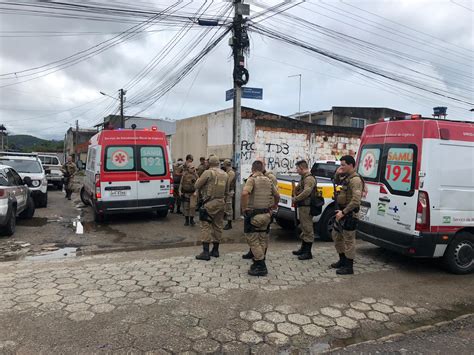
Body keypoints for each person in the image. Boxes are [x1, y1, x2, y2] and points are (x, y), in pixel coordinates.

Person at [241, 160, 280, 276]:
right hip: (267, 215)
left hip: (254, 215)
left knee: (252, 239)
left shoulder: (252, 179)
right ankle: (259, 261)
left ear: (253, 169)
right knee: (263, 238)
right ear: (262, 168)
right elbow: (277, 195)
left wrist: (244, 208)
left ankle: (260, 265)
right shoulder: (268, 180)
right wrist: (274, 206)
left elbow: (244, 193)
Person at [331, 155, 363, 275]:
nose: (341, 167)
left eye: (343, 165)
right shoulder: (347, 177)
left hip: (349, 214)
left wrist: (344, 213)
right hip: (341, 213)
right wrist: (337, 173)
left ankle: (349, 267)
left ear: (351, 165)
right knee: (336, 235)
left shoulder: (355, 180)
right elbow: (335, 182)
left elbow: (356, 200)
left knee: (349, 240)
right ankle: (342, 260)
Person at [194, 155, 229, 261]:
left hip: (209, 203)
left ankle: (205, 252)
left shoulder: (208, 172)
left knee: (206, 226)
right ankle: (215, 250)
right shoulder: (225, 174)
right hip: (221, 202)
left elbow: (197, 185)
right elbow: (227, 191)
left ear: (209, 163)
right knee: (218, 226)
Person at [292, 160, 317, 260]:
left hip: (307, 207)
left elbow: (307, 191)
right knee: (303, 227)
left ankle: (308, 252)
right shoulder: (304, 177)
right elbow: (299, 188)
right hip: (303, 206)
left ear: (302, 168)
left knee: (307, 228)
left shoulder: (309, 178)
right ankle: (303, 249)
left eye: (297, 168)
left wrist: (296, 198)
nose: (296, 170)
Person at [223, 159, 236, 230]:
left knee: (228, 207)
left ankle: (229, 224)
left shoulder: (231, 172)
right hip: (228, 191)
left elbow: (228, 183)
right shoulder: (228, 172)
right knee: (226, 207)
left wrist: (226, 192)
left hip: (229, 192)